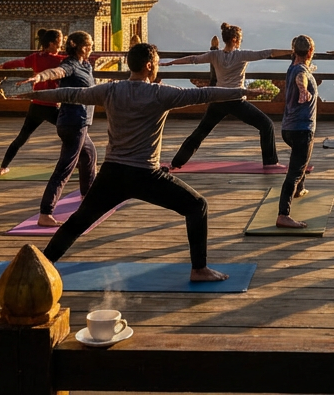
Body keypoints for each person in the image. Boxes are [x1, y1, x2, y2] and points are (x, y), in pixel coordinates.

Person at [15, 43, 270, 281]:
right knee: (197, 206)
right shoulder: (161, 94)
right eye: (156, 63)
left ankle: (39, 267)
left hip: (112, 174)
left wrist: (31, 94)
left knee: (77, 222)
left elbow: (71, 94)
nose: (157, 67)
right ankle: (199, 269)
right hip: (146, 175)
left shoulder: (111, 90)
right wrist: (243, 92)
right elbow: (204, 94)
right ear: (149, 65)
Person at [161, 23, 288, 169]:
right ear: (234, 39)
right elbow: (269, 53)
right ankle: (270, 163)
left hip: (218, 99)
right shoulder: (241, 55)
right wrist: (293, 51)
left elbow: (193, 59)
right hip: (235, 100)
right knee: (266, 125)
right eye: (240, 39)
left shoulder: (215, 55)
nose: (241, 41)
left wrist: (171, 63)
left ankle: (175, 163)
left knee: (200, 132)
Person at [21, 31, 98, 228]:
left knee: (89, 155)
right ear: (79, 47)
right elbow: (57, 72)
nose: (91, 48)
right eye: (88, 45)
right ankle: (45, 213)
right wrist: (40, 77)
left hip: (80, 123)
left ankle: (88, 196)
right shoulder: (71, 64)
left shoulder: (86, 65)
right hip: (73, 123)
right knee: (65, 168)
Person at [0, 28, 66, 175]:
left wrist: (3, 66)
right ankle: (77, 163)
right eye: (59, 42)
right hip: (51, 106)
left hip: (36, 105)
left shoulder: (35, 57)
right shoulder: (60, 60)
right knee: (72, 135)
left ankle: (3, 167)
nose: (61, 45)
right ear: (51, 43)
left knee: (21, 137)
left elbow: (19, 62)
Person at [276, 35, 319, 229]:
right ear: (310, 52)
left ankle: (300, 188)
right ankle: (283, 215)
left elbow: (301, 72)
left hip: (288, 129)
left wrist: (309, 71)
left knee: (300, 161)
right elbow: (301, 78)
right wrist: (303, 89)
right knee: (294, 172)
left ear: (294, 51)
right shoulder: (300, 71)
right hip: (302, 129)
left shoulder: (293, 67)